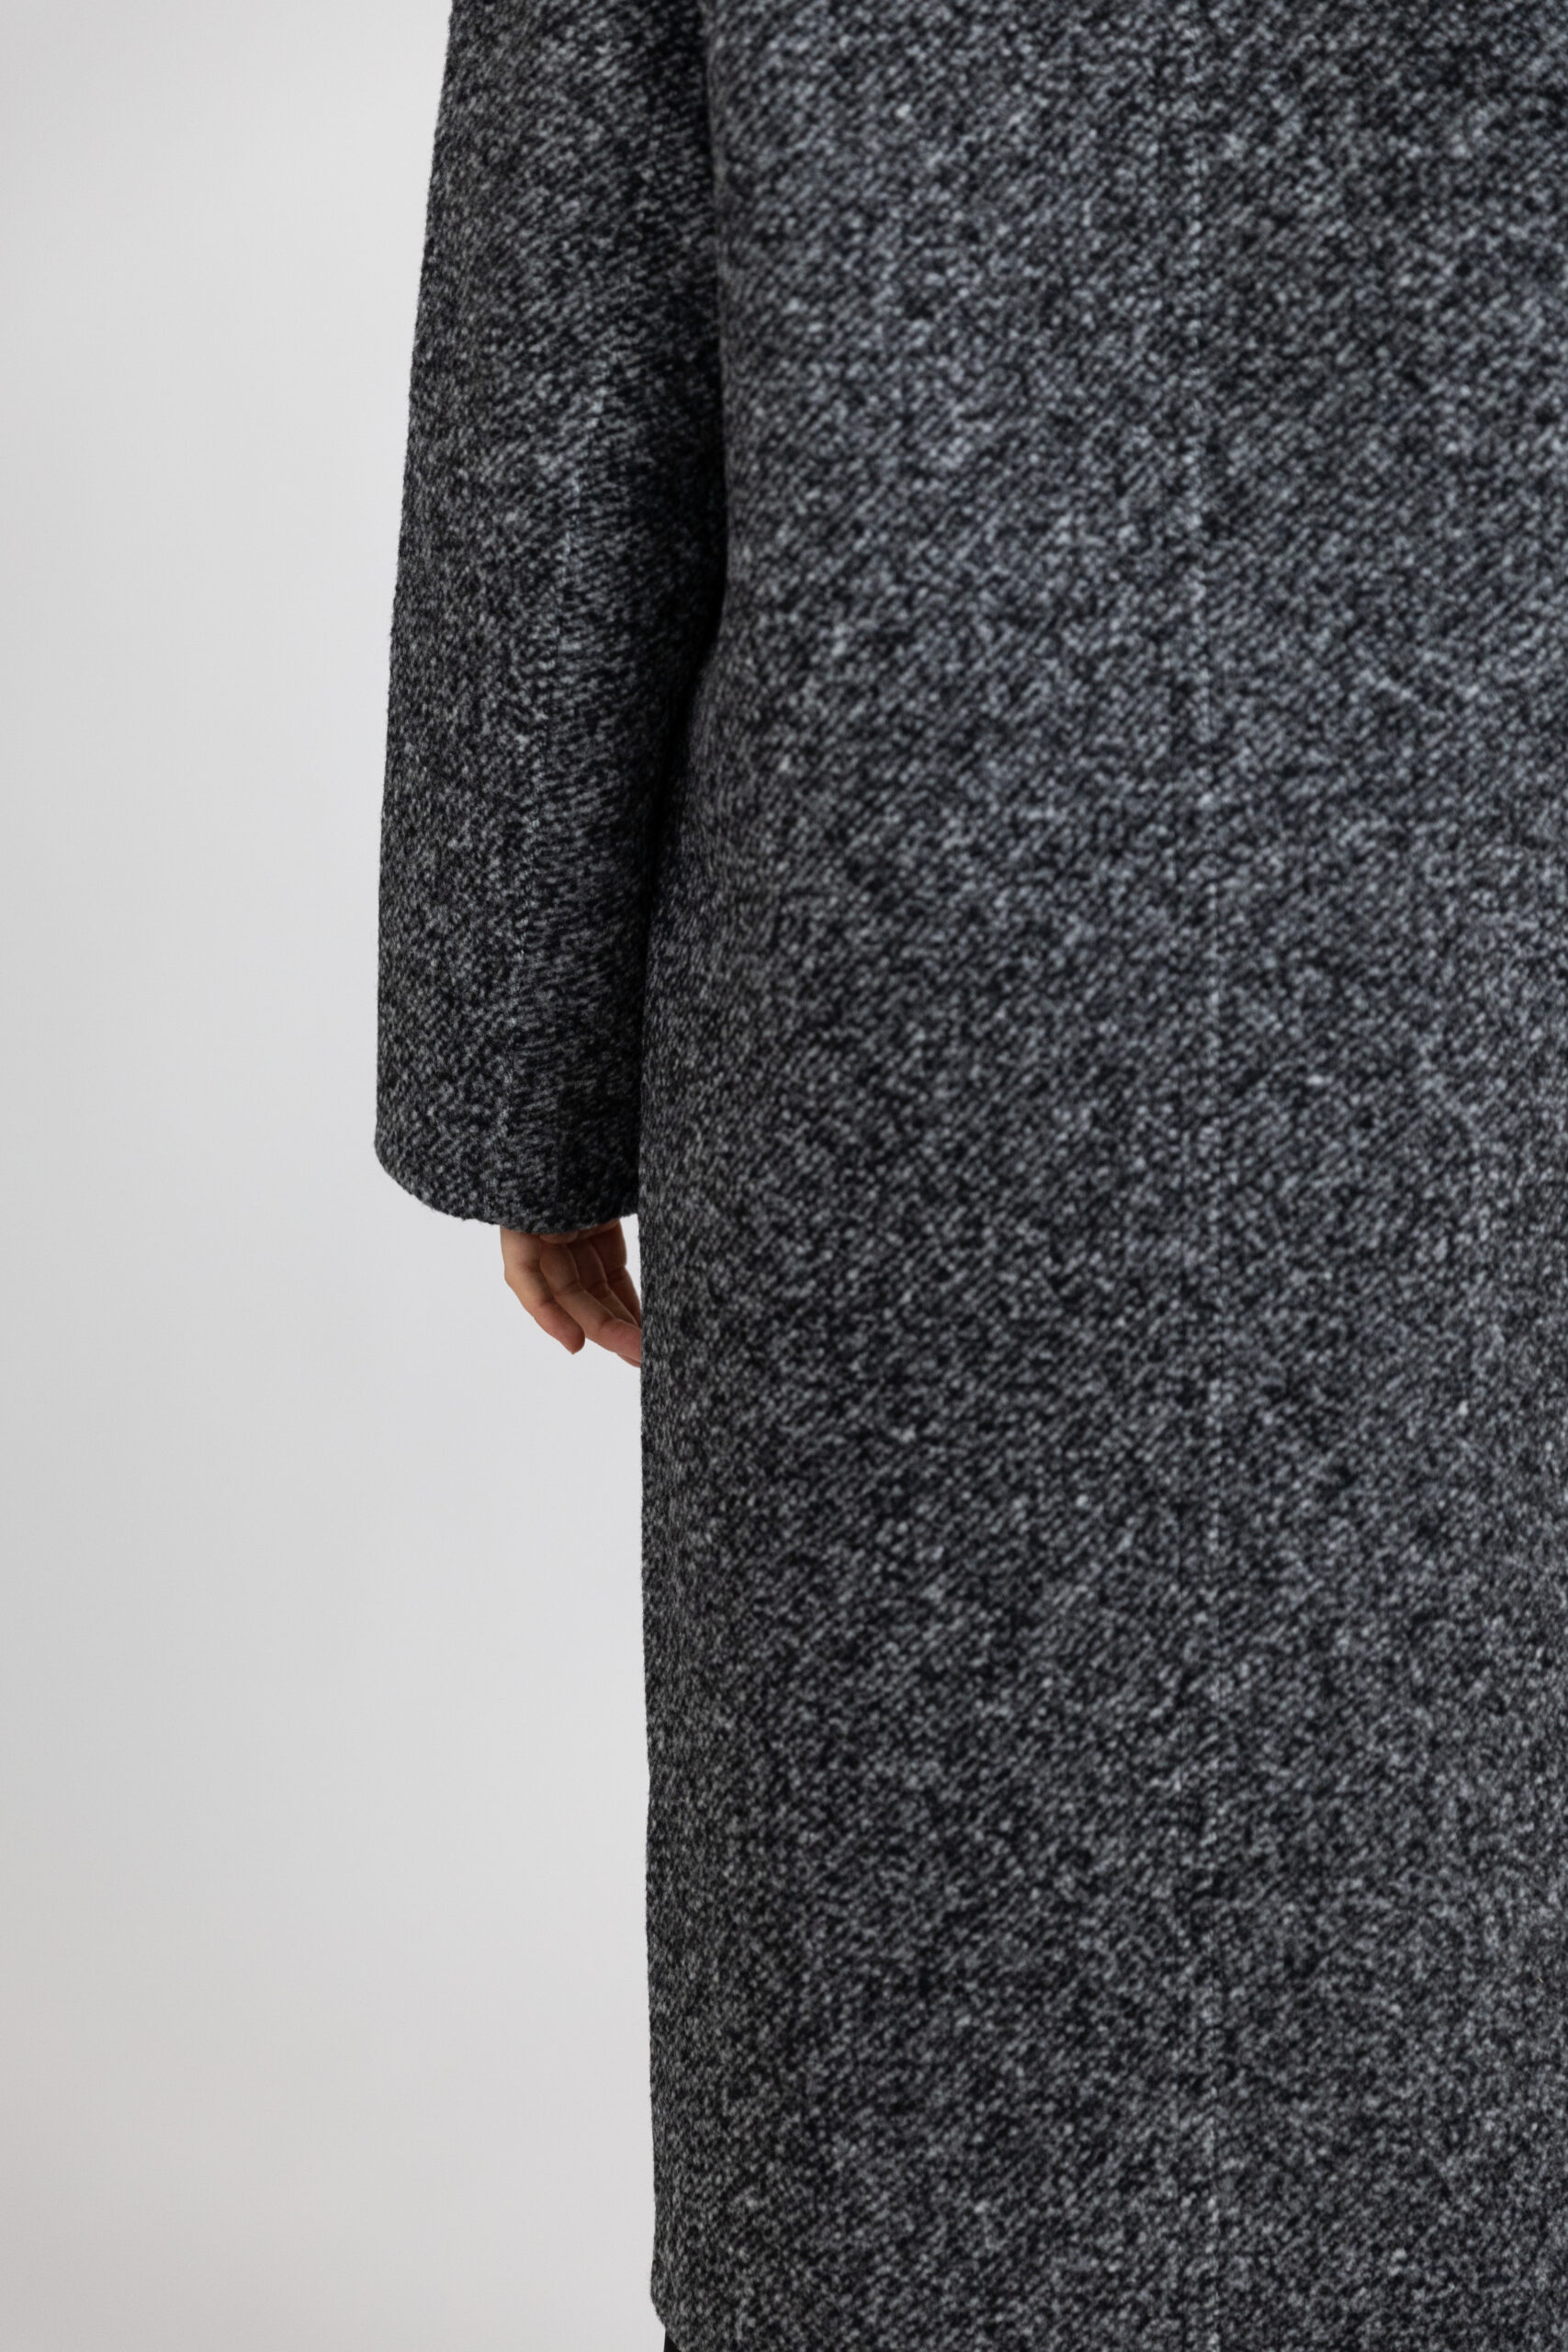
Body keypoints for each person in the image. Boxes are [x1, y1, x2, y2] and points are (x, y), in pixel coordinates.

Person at [376, 2, 1568, 2345]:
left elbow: (560, 378)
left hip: (916, 977)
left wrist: (516, 1075)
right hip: (1489, 960)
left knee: (913, 2055)